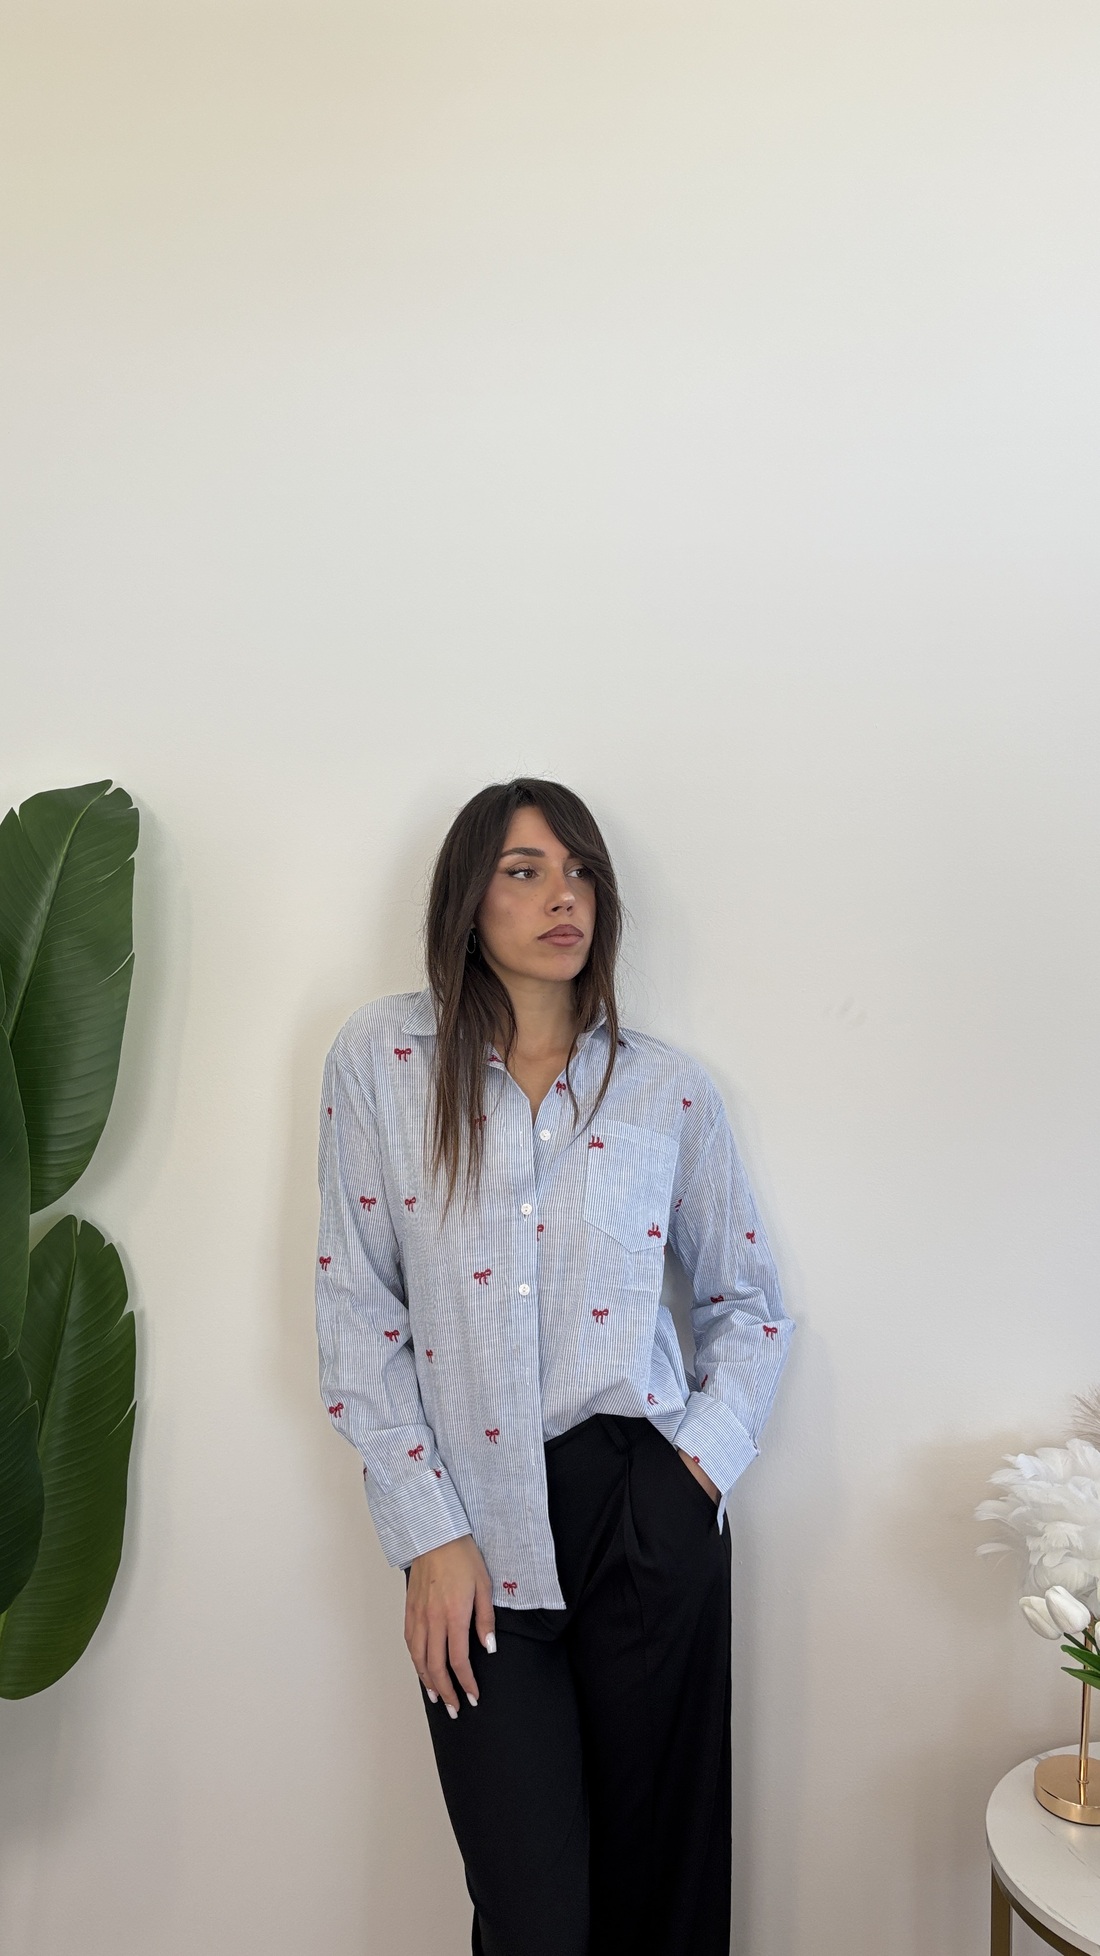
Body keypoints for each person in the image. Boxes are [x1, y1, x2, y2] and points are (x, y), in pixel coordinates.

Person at [315, 776, 794, 1956]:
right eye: (523, 872)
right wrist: (426, 1533)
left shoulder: (665, 1088)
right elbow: (356, 1311)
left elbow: (749, 1306)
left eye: (578, 872)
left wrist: (692, 1473)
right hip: (470, 1532)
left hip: (641, 1507)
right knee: (532, 1915)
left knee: (658, 1891)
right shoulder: (382, 1058)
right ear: (466, 899)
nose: (560, 896)